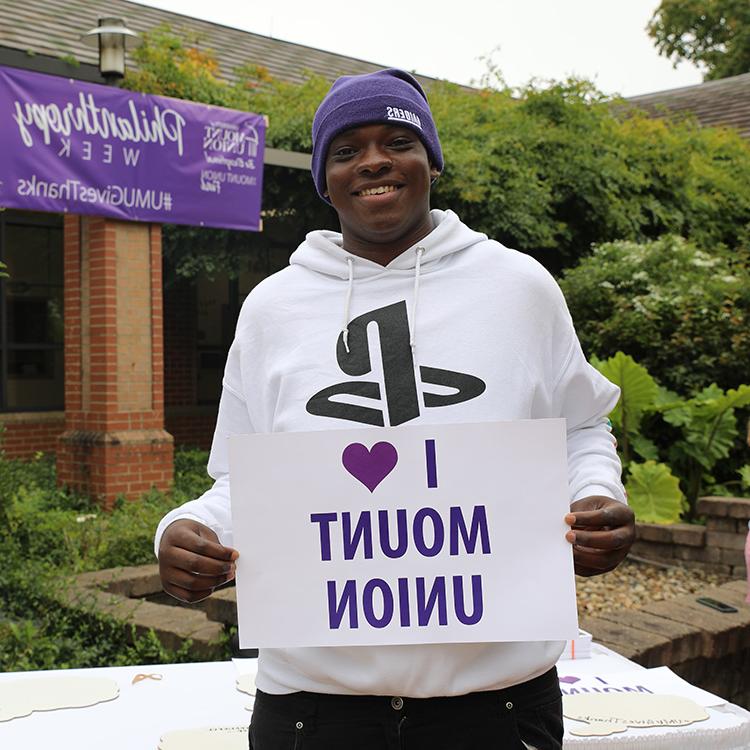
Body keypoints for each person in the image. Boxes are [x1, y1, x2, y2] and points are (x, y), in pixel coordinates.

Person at [155, 68, 635, 750]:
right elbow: (245, 482)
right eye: (346, 149)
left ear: (431, 161)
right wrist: (183, 531)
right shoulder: (271, 309)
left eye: (397, 140)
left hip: (494, 707)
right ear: (324, 180)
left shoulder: (520, 288)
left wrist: (594, 495)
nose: (374, 160)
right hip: (312, 709)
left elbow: (581, 425)